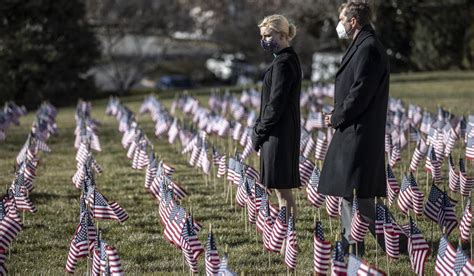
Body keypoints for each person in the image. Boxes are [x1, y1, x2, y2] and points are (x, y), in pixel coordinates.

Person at [318, 1, 404, 256]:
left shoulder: (368, 48)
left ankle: (393, 245)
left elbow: (360, 94)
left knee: (358, 195)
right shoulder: (362, 45)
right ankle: (354, 245)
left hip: (359, 131)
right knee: (353, 193)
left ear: (353, 21)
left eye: (342, 19)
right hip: (353, 130)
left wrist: (336, 117)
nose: (340, 25)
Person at [251, 14, 302, 225]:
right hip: (279, 132)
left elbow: (276, 103)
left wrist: (259, 131)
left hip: (278, 134)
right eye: (262, 36)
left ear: (282, 35)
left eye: (268, 35)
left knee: (283, 192)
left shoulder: (284, 63)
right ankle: (287, 236)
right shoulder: (285, 60)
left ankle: (287, 238)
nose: (265, 40)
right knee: (281, 191)